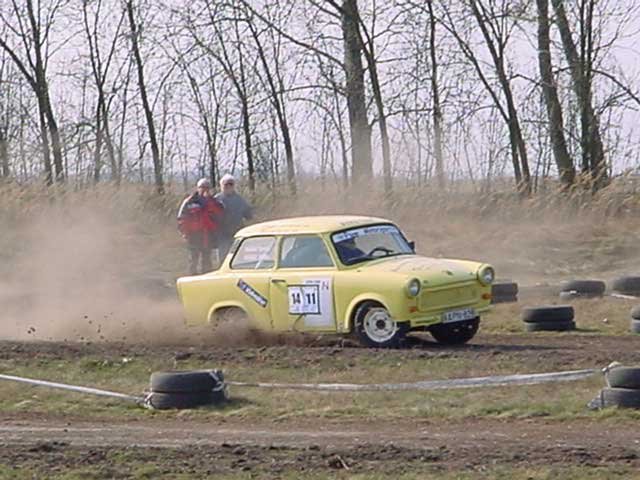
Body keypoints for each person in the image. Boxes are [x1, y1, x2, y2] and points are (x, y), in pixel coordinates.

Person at [177, 178, 224, 275]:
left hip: (208, 235)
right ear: (197, 188)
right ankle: (191, 280)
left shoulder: (214, 202)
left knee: (207, 260)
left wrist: (210, 203)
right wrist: (184, 233)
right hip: (193, 235)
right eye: (202, 187)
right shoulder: (189, 202)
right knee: (193, 259)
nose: (204, 190)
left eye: (207, 188)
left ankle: (205, 281)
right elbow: (181, 218)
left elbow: (220, 215)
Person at [214, 174, 253, 261]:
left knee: (238, 258)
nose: (228, 186)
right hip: (222, 234)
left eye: (230, 184)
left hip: (237, 233)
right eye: (226, 184)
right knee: (223, 259)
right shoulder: (216, 199)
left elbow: (248, 215)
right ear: (221, 186)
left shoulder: (240, 200)